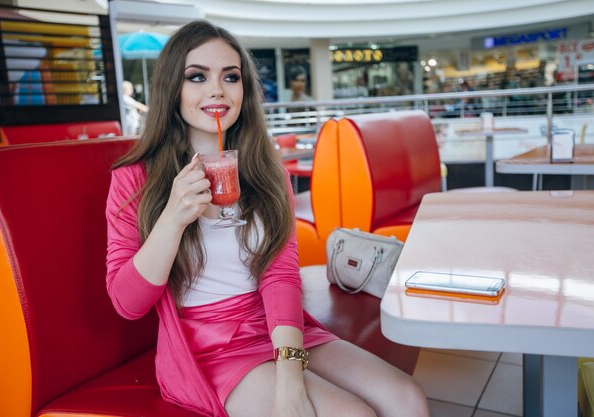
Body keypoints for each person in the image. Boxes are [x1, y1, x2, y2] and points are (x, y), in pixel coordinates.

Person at [105, 20, 429, 417]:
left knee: (408, 398)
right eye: (197, 76)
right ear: (173, 88)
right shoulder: (135, 178)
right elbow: (127, 304)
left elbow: (280, 274)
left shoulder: (265, 169)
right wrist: (172, 218)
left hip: (279, 327)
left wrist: (290, 372)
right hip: (208, 347)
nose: (217, 90)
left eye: (230, 77)